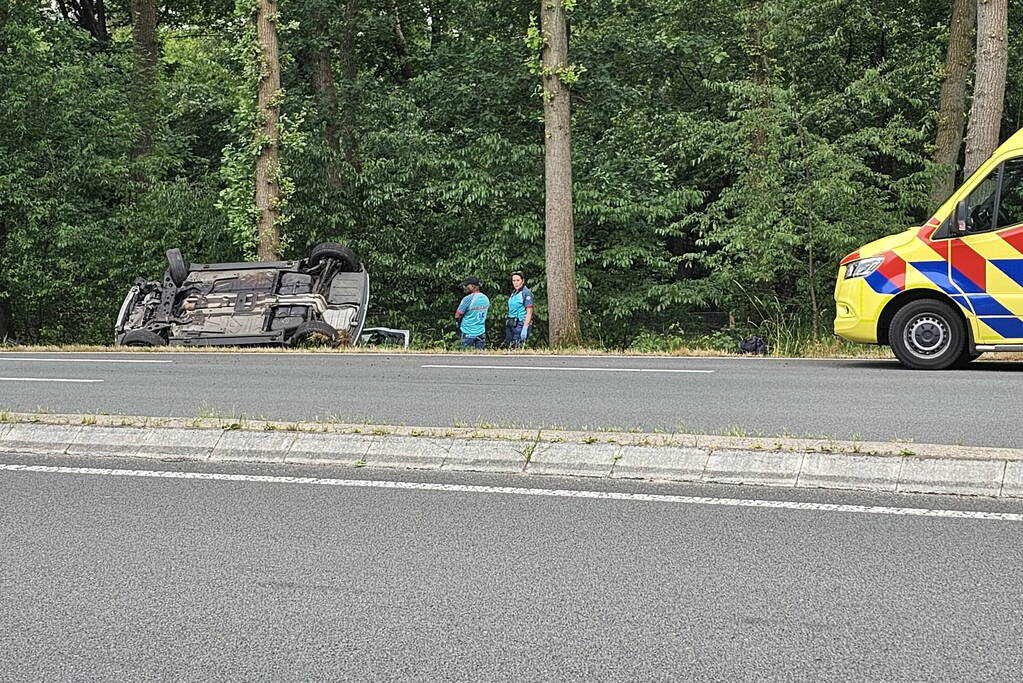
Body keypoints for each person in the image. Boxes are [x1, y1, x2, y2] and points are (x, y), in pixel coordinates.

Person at [455, 276, 490, 349]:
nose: (465, 287)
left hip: (468, 332)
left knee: (466, 357)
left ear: (473, 286)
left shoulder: (468, 299)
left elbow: (457, 315)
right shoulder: (485, 298)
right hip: (481, 331)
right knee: (480, 357)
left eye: (466, 285)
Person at [504, 271, 534, 349]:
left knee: (516, 347)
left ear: (522, 281)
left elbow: (529, 311)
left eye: (518, 280)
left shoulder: (526, 293)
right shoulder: (514, 293)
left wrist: (525, 327)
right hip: (511, 323)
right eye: (514, 280)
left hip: (520, 323)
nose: (515, 283)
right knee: (509, 347)